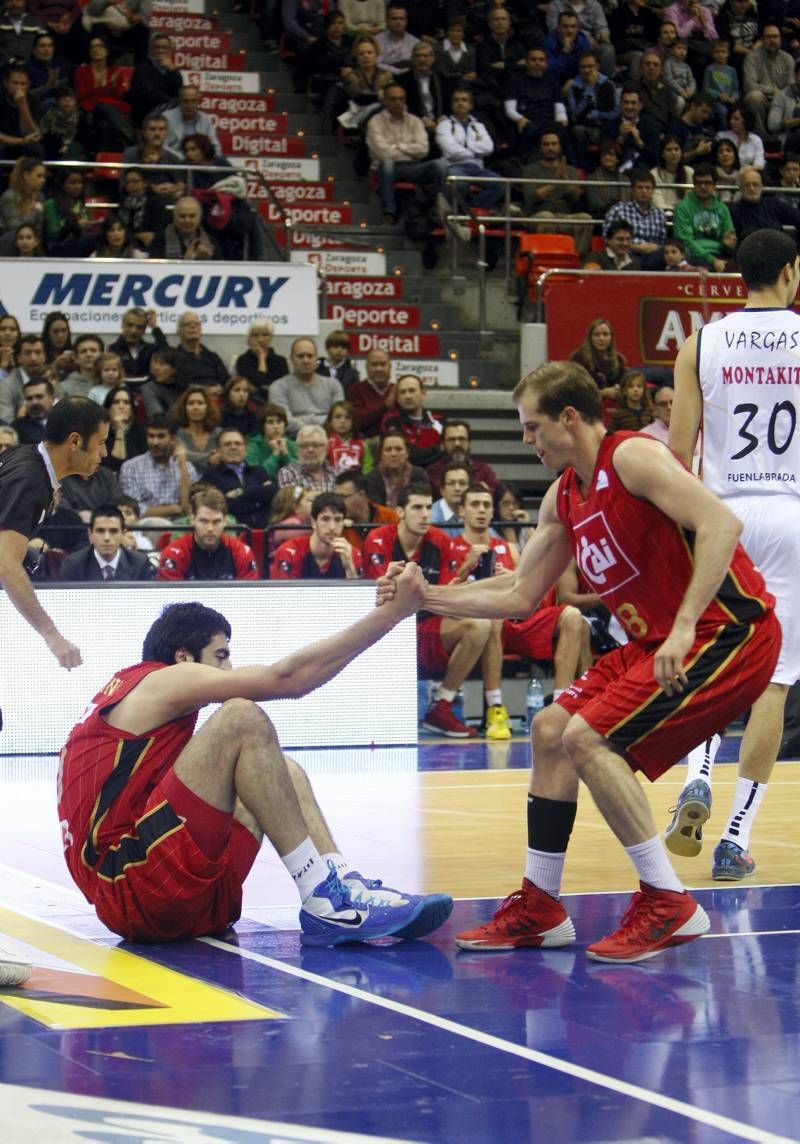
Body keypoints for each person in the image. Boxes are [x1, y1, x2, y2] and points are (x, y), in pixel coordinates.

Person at [378, 360, 780, 961]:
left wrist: (688, 622)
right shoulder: (563, 496)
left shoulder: (631, 459)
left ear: (570, 417)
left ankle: (669, 901)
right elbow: (518, 594)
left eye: (533, 427)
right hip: (657, 642)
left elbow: (722, 521)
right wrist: (425, 596)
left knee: (589, 738)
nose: (526, 440)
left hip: (729, 630)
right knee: (549, 729)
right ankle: (540, 905)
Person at [58, 580, 452, 947]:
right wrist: (393, 614)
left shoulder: (143, 711)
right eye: (221, 656)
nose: (229, 670)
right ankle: (321, 898)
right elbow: (290, 679)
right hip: (131, 889)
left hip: (170, 899)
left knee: (279, 770)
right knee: (241, 716)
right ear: (183, 658)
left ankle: (341, 882)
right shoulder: (158, 681)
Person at [669, 228, 800, 880]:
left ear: (739, 275)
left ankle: (695, 777)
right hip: (793, 513)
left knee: (711, 663)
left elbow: (679, 451)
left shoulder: (701, 344)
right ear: (791, 272)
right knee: (776, 680)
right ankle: (735, 838)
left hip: (721, 516)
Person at [0, 395, 109, 987]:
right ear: (75, 441)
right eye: (100, 441)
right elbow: (5, 565)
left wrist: (33, 544)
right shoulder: (30, 479)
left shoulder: (24, 466)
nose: (104, 452)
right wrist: (53, 636)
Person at [365, 482, 491, 738]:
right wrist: (434, 593)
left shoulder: (440, 540)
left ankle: (442, 706)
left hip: (425, 626)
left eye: (428, 507)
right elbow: (388, 597)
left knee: (480, 625)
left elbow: (447, 593)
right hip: (384, 631)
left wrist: (463, 572)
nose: (425, 514)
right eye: (417, 507)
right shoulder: (377, 538)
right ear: (399, 512)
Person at [365, 82, 447, 228]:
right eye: (393, 99)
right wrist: (409, 150)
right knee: (388, 163)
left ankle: (433, 207)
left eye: (401, 99)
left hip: (413, 167)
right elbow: (383, 153)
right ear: (384, 101)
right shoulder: (375, 122)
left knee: (440, 165)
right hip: (386, 169)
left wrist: (398, 146)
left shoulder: (415, 121)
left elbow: (423, 149)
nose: (397, 102)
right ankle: (389, 213)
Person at [158, 487, 259, 581]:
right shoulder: (173, 554)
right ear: (192, 519)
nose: (210, 529)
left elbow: (249, 597)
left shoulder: (241, 553)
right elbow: (171, 599)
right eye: (204, 521)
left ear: (225, 521)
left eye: (216, 522)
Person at [119, 415, 199, 523]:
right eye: (151, 436)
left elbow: (189, 508)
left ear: (173, 438)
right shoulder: (131, 467)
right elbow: (133, 510)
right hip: (144, 527)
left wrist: (182, 467)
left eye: (161, 436)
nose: (155, 442)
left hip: (179, 526)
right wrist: (174, 509)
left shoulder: (187, 467)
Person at [272, 491, 362, 579]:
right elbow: (282, 593)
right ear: (313, 522)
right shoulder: (288, 551)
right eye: (325, 519)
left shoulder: (351, 554)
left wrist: (349, 568)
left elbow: (359, 594)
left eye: (338, 520)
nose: (332, 527)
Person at [201, 428, 276, 530]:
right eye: (227, 444)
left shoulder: (258, 471)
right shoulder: (211, 475)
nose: (233, 447)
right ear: (218, 450)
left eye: (238, 444)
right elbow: (223, 505)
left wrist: (241, 492)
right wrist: (258, 500)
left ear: (245, 448)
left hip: (265, 531)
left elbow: (272, 492)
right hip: (233, 532)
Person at [59, 503, 155, 581]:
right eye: (100, 531)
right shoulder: (73, 564)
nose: (107, 538)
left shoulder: (140, 563)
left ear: (123, 533)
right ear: (90, 534)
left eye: (113, 531)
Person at [270, 338, 344, 437]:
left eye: (310, 356)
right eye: (300, 356)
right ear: (291, 359)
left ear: (316, 359)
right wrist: (321, 420)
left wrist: (302, 419)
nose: (306, 360)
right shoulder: (278, 387)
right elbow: (284, 422)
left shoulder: (333, 385)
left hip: (328, 440)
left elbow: (339, 419)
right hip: (292, 442)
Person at [673, 163, 738, 270]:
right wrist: (712, 260)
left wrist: (727, 245)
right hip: (693, 255)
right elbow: (685, 241)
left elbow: (729, 238)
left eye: (707, 183)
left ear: (714, 185)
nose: (703, 186)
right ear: (693, 184)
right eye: (699, 183)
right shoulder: (683, 207)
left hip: (720, 253)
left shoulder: (722, 208)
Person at [602, 169, 667, 270]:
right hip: (626, 254)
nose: (644, 191)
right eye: (640, 187)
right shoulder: (618, 210)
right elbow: (607, 238)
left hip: (653, 257)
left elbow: (662, 242)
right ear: (632, 190)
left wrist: (656, 248)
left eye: (648, 188)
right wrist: (636, 247)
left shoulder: (660, 214)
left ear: (653, 190)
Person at [379, 373, 441, 467]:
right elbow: (406, 456)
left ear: (423, 394)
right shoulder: (391, 420)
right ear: (398, 398)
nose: (407, 396)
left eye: (412, 391)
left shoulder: (438, 420)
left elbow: (447, 451)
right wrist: (436, 450)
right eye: (402, 392)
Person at [424, 420, 498, 498]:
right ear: (442, 445)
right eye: (451, 439)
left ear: (469, 443)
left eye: (462, 439)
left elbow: (496, 497)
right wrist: (477, 488)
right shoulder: (432, 471)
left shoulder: (484, 471)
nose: (457, 444)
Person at [729, 165, 800, 242]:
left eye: (755, 184)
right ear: (741, 188)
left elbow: (797, 217)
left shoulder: (773, 204)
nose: (752, 188)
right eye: (747, 185)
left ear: (761, 186)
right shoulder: (733, 211)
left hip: (779, 249)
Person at [333, 469, 398, 552]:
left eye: (344, 497)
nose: (339, 502)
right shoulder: (336, 525)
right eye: (337, 497)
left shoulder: (389, 517)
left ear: (362, 495)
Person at [362, 430, 427, 507]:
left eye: (398, 449)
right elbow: (376, 512)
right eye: (388, 450)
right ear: (381, 454)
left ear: (407, 453)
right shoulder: (371, 478)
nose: (393, 454)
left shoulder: (419, 474)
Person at [107, 307, 168, 382]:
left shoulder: (150, 349)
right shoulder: (112, 350)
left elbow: (167, 355)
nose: (133, 331)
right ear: (122, 325)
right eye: (130, 325)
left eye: (139, 327)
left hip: (147, 392)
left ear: (145, 330)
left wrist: (154, 328)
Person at [169, 385, 223, 470]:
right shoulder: (178, 434)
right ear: (184, 408)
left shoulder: (219, 433)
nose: (195, 407)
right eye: (191, 403)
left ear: (207, 407)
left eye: (200, 403)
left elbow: (225, 454)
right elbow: (182, 455)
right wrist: (209, 457)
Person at [173, 312, 228, 392]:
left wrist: (221, 389)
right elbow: (178, 384)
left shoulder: (212, 356)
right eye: (187, 324)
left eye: (196, 324)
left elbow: (226, 380)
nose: (192, 326)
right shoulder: (174, 357)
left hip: (217, 398)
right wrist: (205, 390)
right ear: (179, 331)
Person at [233, 319, 288, 397]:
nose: (260, 339)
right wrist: (261, 358)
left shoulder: (280, 361)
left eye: (265, 335)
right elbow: (260, 385)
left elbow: (282, 389)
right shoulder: (243, 360)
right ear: (249, 339)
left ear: (271, 337)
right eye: (255, 335)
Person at [347, 347, 395, 437]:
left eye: (383, 364)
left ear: (390, 367)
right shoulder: (355, 390)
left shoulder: (397, 390)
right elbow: (357, 421)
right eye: (374, 365)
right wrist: (385, 406)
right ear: (366, 367)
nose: (379, 369)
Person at [101, 384, 147, 473]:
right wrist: (119, 431)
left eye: (126, 402)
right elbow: (115, 467)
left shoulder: (142, 432)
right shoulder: (100, 434)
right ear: (108, 409)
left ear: (132, 409)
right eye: (116, 402)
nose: (121, 406)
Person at [246, 403, 298, 477]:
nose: (276, 426)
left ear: (285, 424)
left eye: (279, 422)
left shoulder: (293, 445)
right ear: (263, 426)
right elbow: (257, 476)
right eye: (270, 422)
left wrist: (285, 453)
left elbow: (299, 474)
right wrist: (275, 454)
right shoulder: (252, 447)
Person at [324, 399, 372, 474]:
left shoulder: (363, 445)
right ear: (330, 422)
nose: (342, 421)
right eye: (338, 417)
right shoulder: (324, 444)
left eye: (348, 417)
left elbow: (368, 469)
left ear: (353, 421)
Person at [12, 373, 54, 444]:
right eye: (29, 398)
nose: (34, 402)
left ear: (52, 398)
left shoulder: (66, 421)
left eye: (39, 397)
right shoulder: (16, 427)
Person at [430, 461, 469, 531]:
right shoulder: (430, 519)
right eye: (451, 483)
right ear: (442, 490)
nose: (457, 488)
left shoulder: (476, 513)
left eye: (462, 483)